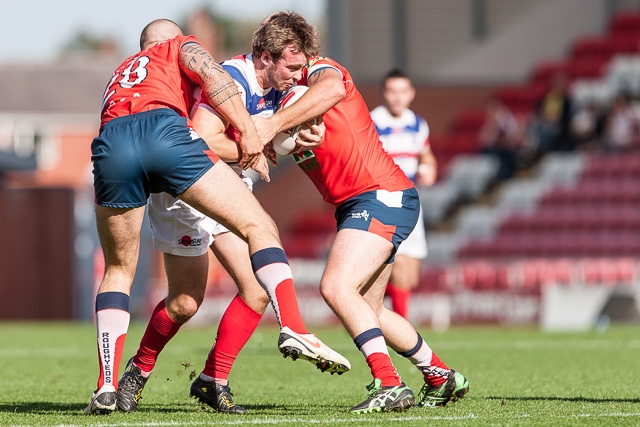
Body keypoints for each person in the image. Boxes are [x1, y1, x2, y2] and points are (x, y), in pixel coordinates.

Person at [85, 18, 345, 415]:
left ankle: (211, 379)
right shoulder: (208, 64)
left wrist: (299, 132)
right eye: (292, 68)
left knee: (254, 288)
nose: (299, 76)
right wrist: (252, 142)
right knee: (186, 301)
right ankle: (139, 370)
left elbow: (301, 111)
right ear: (265, 57)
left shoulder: (127, 73)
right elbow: (205, 137)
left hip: (132, 149)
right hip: (185, 183)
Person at [254, 13, 470, 413]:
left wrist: (273, 129)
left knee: (335, 287)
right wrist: (275, 137)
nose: (292, 72)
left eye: (296, 63)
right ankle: (441, 375)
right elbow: (286, 137)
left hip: (380, 194)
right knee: (370, 310)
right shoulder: (279, 102)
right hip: (362, 201)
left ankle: (387, 382)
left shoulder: (323, 72)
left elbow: (331, 88)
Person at [369, 69, 436, 320]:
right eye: (392, 91)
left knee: (410, 276)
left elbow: (426, 155)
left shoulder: (418, 123)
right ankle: (400, 332)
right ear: (384, 93)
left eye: (402, 92)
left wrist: (430, 169)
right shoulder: (372, 122)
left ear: (411, 94)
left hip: (411, 201)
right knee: (396, 269)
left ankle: (378, 314)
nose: (397, 97)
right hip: (384, 201)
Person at [477, 98, 522, 181]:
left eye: (492, 109)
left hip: (506, 152)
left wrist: (498, 137)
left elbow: (515, 139)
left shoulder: (507, 119)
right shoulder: (491, 122)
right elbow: (483, 140)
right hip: (493, 151)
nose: (490, 113)